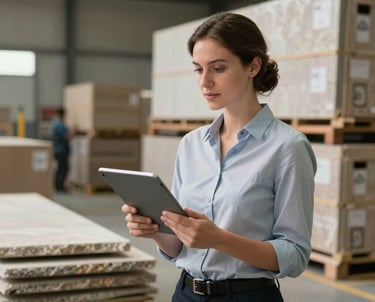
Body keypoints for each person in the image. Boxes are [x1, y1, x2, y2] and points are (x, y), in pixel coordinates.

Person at [122, 12, 316, 301]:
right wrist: (154, 231)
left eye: (218, 68)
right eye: (198, 70)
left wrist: (219, 239)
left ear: (253, 66)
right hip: (186, 293)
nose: (205, 82)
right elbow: (178, 247)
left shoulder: (287, 147)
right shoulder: (191, 145)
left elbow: (295, 255)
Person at [52, 107, 74, 192]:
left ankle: (58, 185)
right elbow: (67, 137)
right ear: (62, 115)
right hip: (61, 151)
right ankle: (59, 186)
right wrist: (74, 132)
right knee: (63, 169)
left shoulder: (58, 124)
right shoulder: (59, 125)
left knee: (60, 168)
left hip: (59, 150)